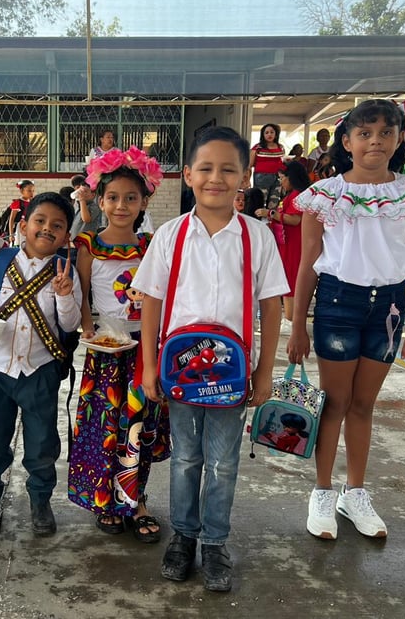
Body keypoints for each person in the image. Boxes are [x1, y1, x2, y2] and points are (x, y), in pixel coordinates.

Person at [133, 126, 288, 591]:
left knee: (223, 462)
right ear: (188, 175)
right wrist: (149, 364)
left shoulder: (257, 237)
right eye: (205, 168)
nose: (215, 178)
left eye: (228, 169)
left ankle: (215, 543)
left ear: (244, 177)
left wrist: (264, 371)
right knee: (185, 459)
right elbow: (152, 302)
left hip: (232, 373)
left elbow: (272, 305)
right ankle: (183, 536)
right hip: (181, 371)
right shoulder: (170, 235)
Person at [287, 99, 405, 541]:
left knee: (363, 405)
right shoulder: (324, 195)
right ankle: (321, 491)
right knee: (333, 403)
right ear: (347, 141)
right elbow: (308, 263)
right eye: (365, 133)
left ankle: (354, 493)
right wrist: (297, 326)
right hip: (338, 302)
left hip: (390, 308)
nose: (375, 141)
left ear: (398, 139)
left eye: (386, 133)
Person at [67, 145, 171, 544]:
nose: (122, 205)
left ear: (145, 200)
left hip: (144, 351)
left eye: (131, 198)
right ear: (99, 199)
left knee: (139, 426)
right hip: (105, 355)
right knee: (106, 426)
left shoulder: (151, 247)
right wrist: (89, 329)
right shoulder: (88, 245)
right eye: (113, 197)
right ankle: (107, 499)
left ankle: (137, 498)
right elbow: (84, 297)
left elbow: (158, 297)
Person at [0, 192, 81, 537]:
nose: (47, 229)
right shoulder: (1, 261)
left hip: (40, 370)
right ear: (24, 225)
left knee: (42, 442)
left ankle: (40, 500)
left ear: (66, 237)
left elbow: (69, 323)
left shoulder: (66, 271)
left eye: (57, 226)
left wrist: (64, 295)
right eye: (40, 221)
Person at [257, 161, 311, 331]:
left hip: (293, 244)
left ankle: (290, 319)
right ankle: (291, 318)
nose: (281, 182)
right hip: (287, 243)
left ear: (291, 177)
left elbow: (294, 220)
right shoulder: (294, 194)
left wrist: (270, 213)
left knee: (290, 280)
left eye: (282, 178)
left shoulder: (296, 196)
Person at [249, 123, 285, 200]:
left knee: (274, 201)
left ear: (276, 134)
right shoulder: (257, 147)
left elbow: (282, 162)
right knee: (260, 201)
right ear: (263, 135)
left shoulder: (281, 147)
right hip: (261, 178)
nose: (269, 134)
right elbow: (250, 164)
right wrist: (247, 179)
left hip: (277, 178)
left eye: (272, 132)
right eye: (266, 132)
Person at [8, 179, 35, 245]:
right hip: (19, 228)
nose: (31, 193)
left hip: (30, 227)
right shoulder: (18, 203)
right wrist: (11, 234)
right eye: (29, 191)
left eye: (33, 191)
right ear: (22, 191)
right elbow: (11, 220)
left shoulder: (33, 202)